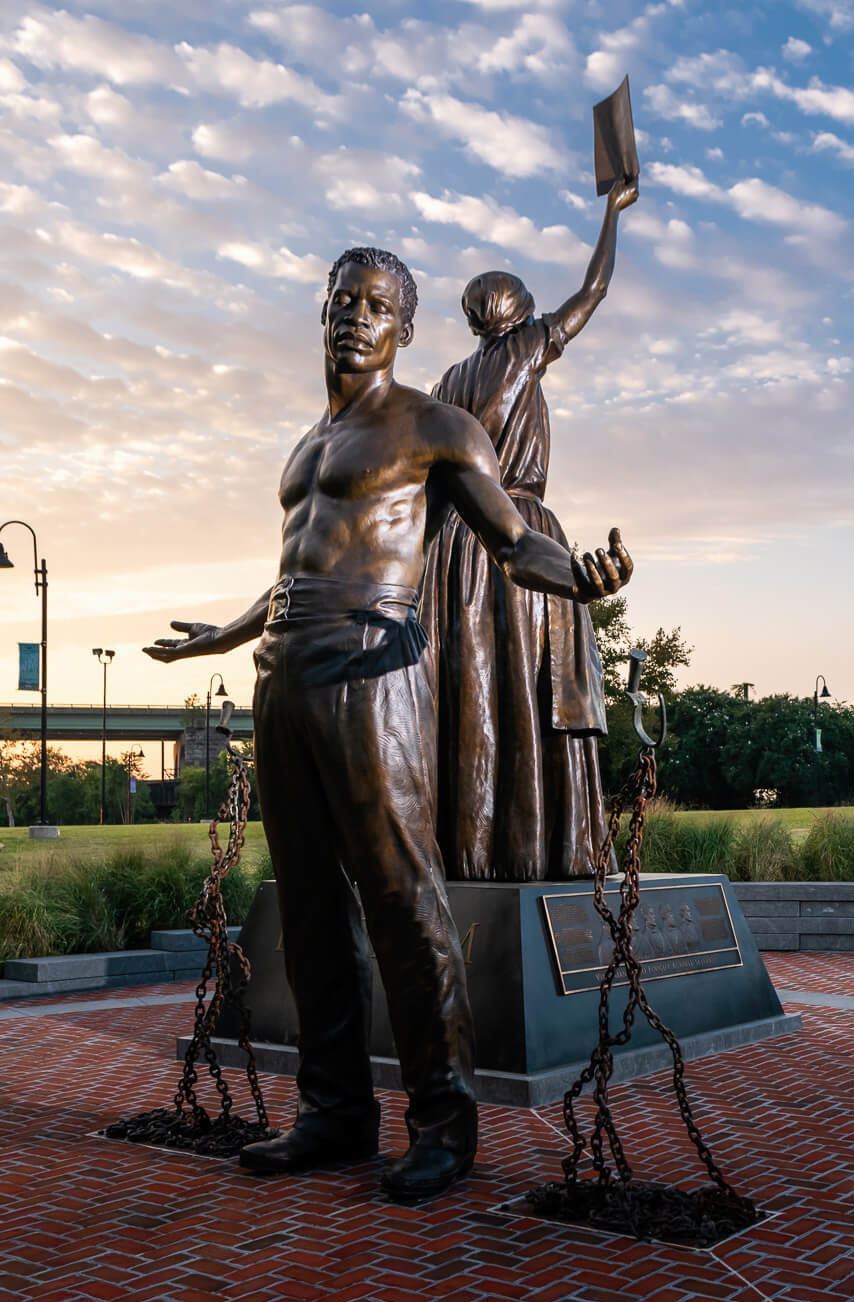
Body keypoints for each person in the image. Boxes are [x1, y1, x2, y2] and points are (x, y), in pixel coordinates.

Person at [145, 246, 631, 1203]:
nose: (354, 318)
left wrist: (581, 580)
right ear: (322, 312)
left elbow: (513, 543)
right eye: (342, 301)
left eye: (376, 306)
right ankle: (334, 1113)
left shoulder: (437, 426)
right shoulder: (305, 446)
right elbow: (297, 570)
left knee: (405, 903)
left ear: (405, 328)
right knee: (313, 911)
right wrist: (222, 637)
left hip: (375, 667)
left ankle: (444, 1124)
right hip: (284, 672)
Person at [423, 176, 636, 883]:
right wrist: (612, 213)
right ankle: (549, 848)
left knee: (472, 695)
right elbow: (595, 289)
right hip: (517, 532)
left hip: (454, 548)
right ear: (515, 313)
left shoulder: (445, 383)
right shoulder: (526, 349)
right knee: (530, 690)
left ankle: (467, 851)